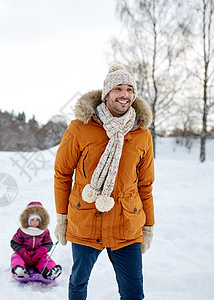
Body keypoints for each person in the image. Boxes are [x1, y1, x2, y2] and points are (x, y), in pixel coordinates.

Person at [53, 64, 155, 300]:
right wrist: (62, 218)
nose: (125, 95)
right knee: (78, 283)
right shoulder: (81, 127)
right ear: (106, 93)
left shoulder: (141, 134)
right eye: (118, 88)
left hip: (126, 224)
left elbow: (146, 185)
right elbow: (62, 174)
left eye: (130, 89)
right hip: (86, 220)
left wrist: (148, 226)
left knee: (133, 293)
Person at [10, 201, 62, 280]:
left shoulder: (44, 231)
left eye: (37, 220)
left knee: (45, 259)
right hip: (24, 255)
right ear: (27, 220)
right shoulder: (22, 231)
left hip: (38, 256)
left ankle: (50, 271)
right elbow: (14, 243)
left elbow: (48, 243)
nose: (35, 222)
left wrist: (41, 251)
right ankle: (19, 269)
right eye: (32, 220)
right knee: (15, 257)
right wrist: (22, 251)